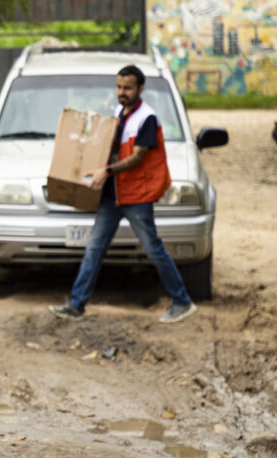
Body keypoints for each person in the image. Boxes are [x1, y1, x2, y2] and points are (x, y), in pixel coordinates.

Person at [49, 65, 198, 324]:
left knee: (153, 250)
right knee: (94, 249)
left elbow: (137, 158)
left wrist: (105, 170)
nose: (121, 92)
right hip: (113, 195)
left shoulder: (147, 118)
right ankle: (76, 305)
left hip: (136, 196)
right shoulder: (119, 111)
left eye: (127, 88)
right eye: (118, 87)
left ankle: (182, 301)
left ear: (141, 89)